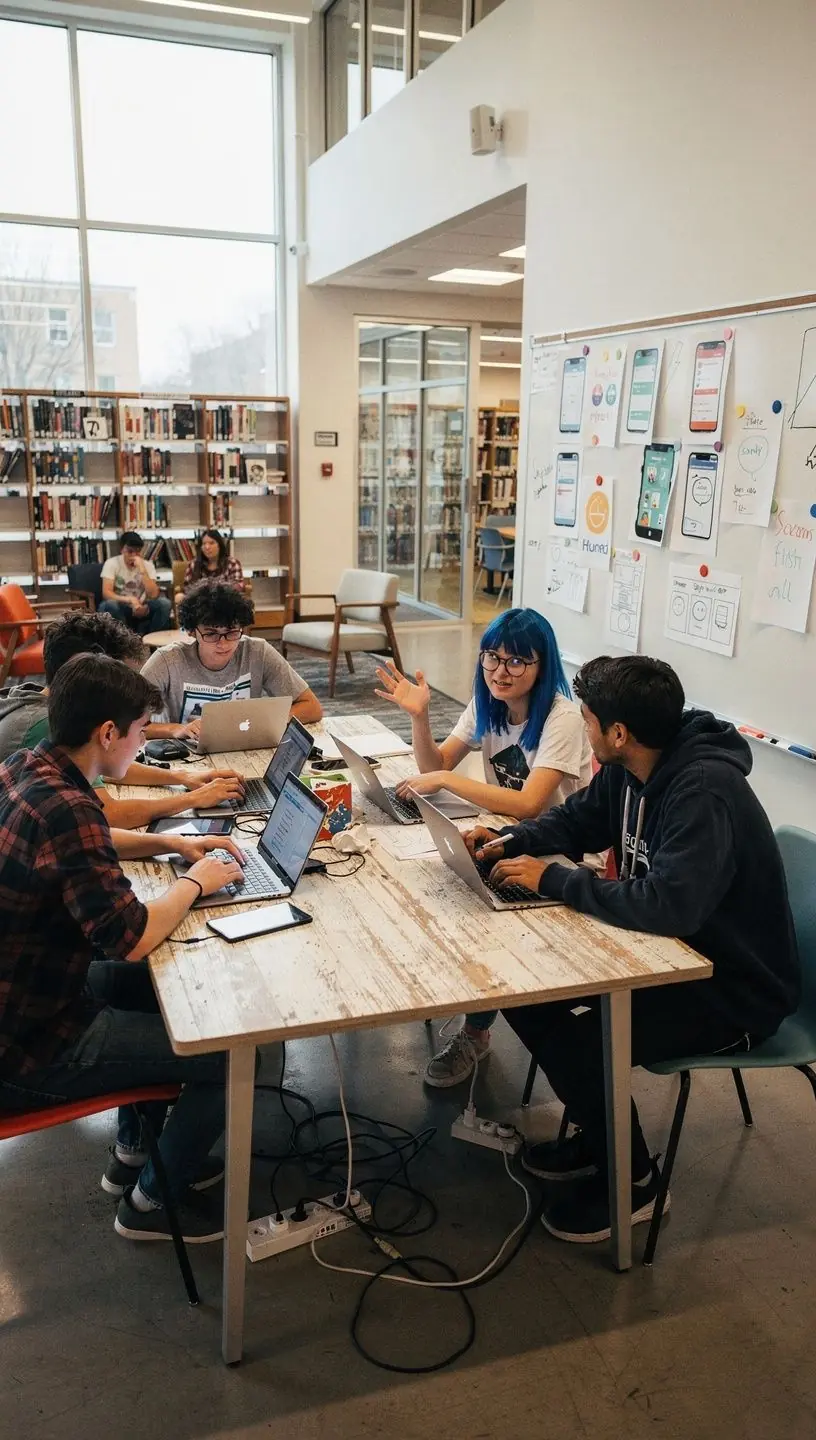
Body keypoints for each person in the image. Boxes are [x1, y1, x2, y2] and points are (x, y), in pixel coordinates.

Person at [466, 654, 799, 1244]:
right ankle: (601, 1138)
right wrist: (508, 841)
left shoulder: (703, 792)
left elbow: (670, 906)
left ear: (617, 732)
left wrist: (555, 880)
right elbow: (576, 821)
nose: (582, 726)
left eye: (588, 719)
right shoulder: (633, 765)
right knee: (526, 999)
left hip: (733, 989)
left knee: (587, 1038)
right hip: (670, 958)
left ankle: (637, 1182)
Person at [0, 653, 249, 1243]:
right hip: (30, 1050)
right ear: (107, 733)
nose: (143, 742)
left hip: (33, 998)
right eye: (140, 730)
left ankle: (138, 1153)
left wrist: (166, 842)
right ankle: (150, 1205)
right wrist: (198, 881)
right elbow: (131, 937)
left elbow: (90, 839)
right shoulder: (69, 807)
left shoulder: (26, 767)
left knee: (162, 995)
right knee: (239, 1054)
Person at [375, 606, 595, 1088]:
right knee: (441, 890)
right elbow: (436, 764)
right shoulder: (489, 701)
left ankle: (475, 1033)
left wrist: (449, 779)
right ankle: (469, 1009)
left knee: (479, 921)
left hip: (568, 856)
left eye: (517, 661)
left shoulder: (561, 717)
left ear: (543, 665)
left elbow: (532, 804)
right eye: (491, 658)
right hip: (513, 840)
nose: (500, 671)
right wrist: (421, 716)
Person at [0, 609, 245, 825]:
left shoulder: (41, 701)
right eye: (120, 679)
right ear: (85, 671)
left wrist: (182, 777)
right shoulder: (46, 725)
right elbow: (106, 815)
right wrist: (192, 799)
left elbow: (101, 768)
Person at [143, 582, 323, 740]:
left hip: (246, 748)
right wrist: (177, 729)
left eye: (231, 632)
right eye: (211, 634)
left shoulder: (258, 652)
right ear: (192, 631)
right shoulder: (168, 660)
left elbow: (312, 707)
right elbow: (125, 723)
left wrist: (270, 722)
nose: (223, 643)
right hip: (187, 758)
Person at [99, 531, 172, 636]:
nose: (134, 556)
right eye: (130, 551)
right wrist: (130, 600)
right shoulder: (112, 563)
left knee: (164, 603)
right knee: (110, 605)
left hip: (142, 606)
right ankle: (125, 642)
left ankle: (153, 643)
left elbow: (153, 594)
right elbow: (106, 594)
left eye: (137, 552)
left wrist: (142, 569)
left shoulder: (147, 565)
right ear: (122, 550)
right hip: (121, 606)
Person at [175, 528, 245, 606]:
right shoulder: (194, 565)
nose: (207, 547)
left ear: (219, 545)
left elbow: (237, 587)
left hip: (224, 604)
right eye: (204, 544)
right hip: (200, 606)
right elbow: (187, 589)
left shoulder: (232, 563)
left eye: (212, 543)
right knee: (179, 597)